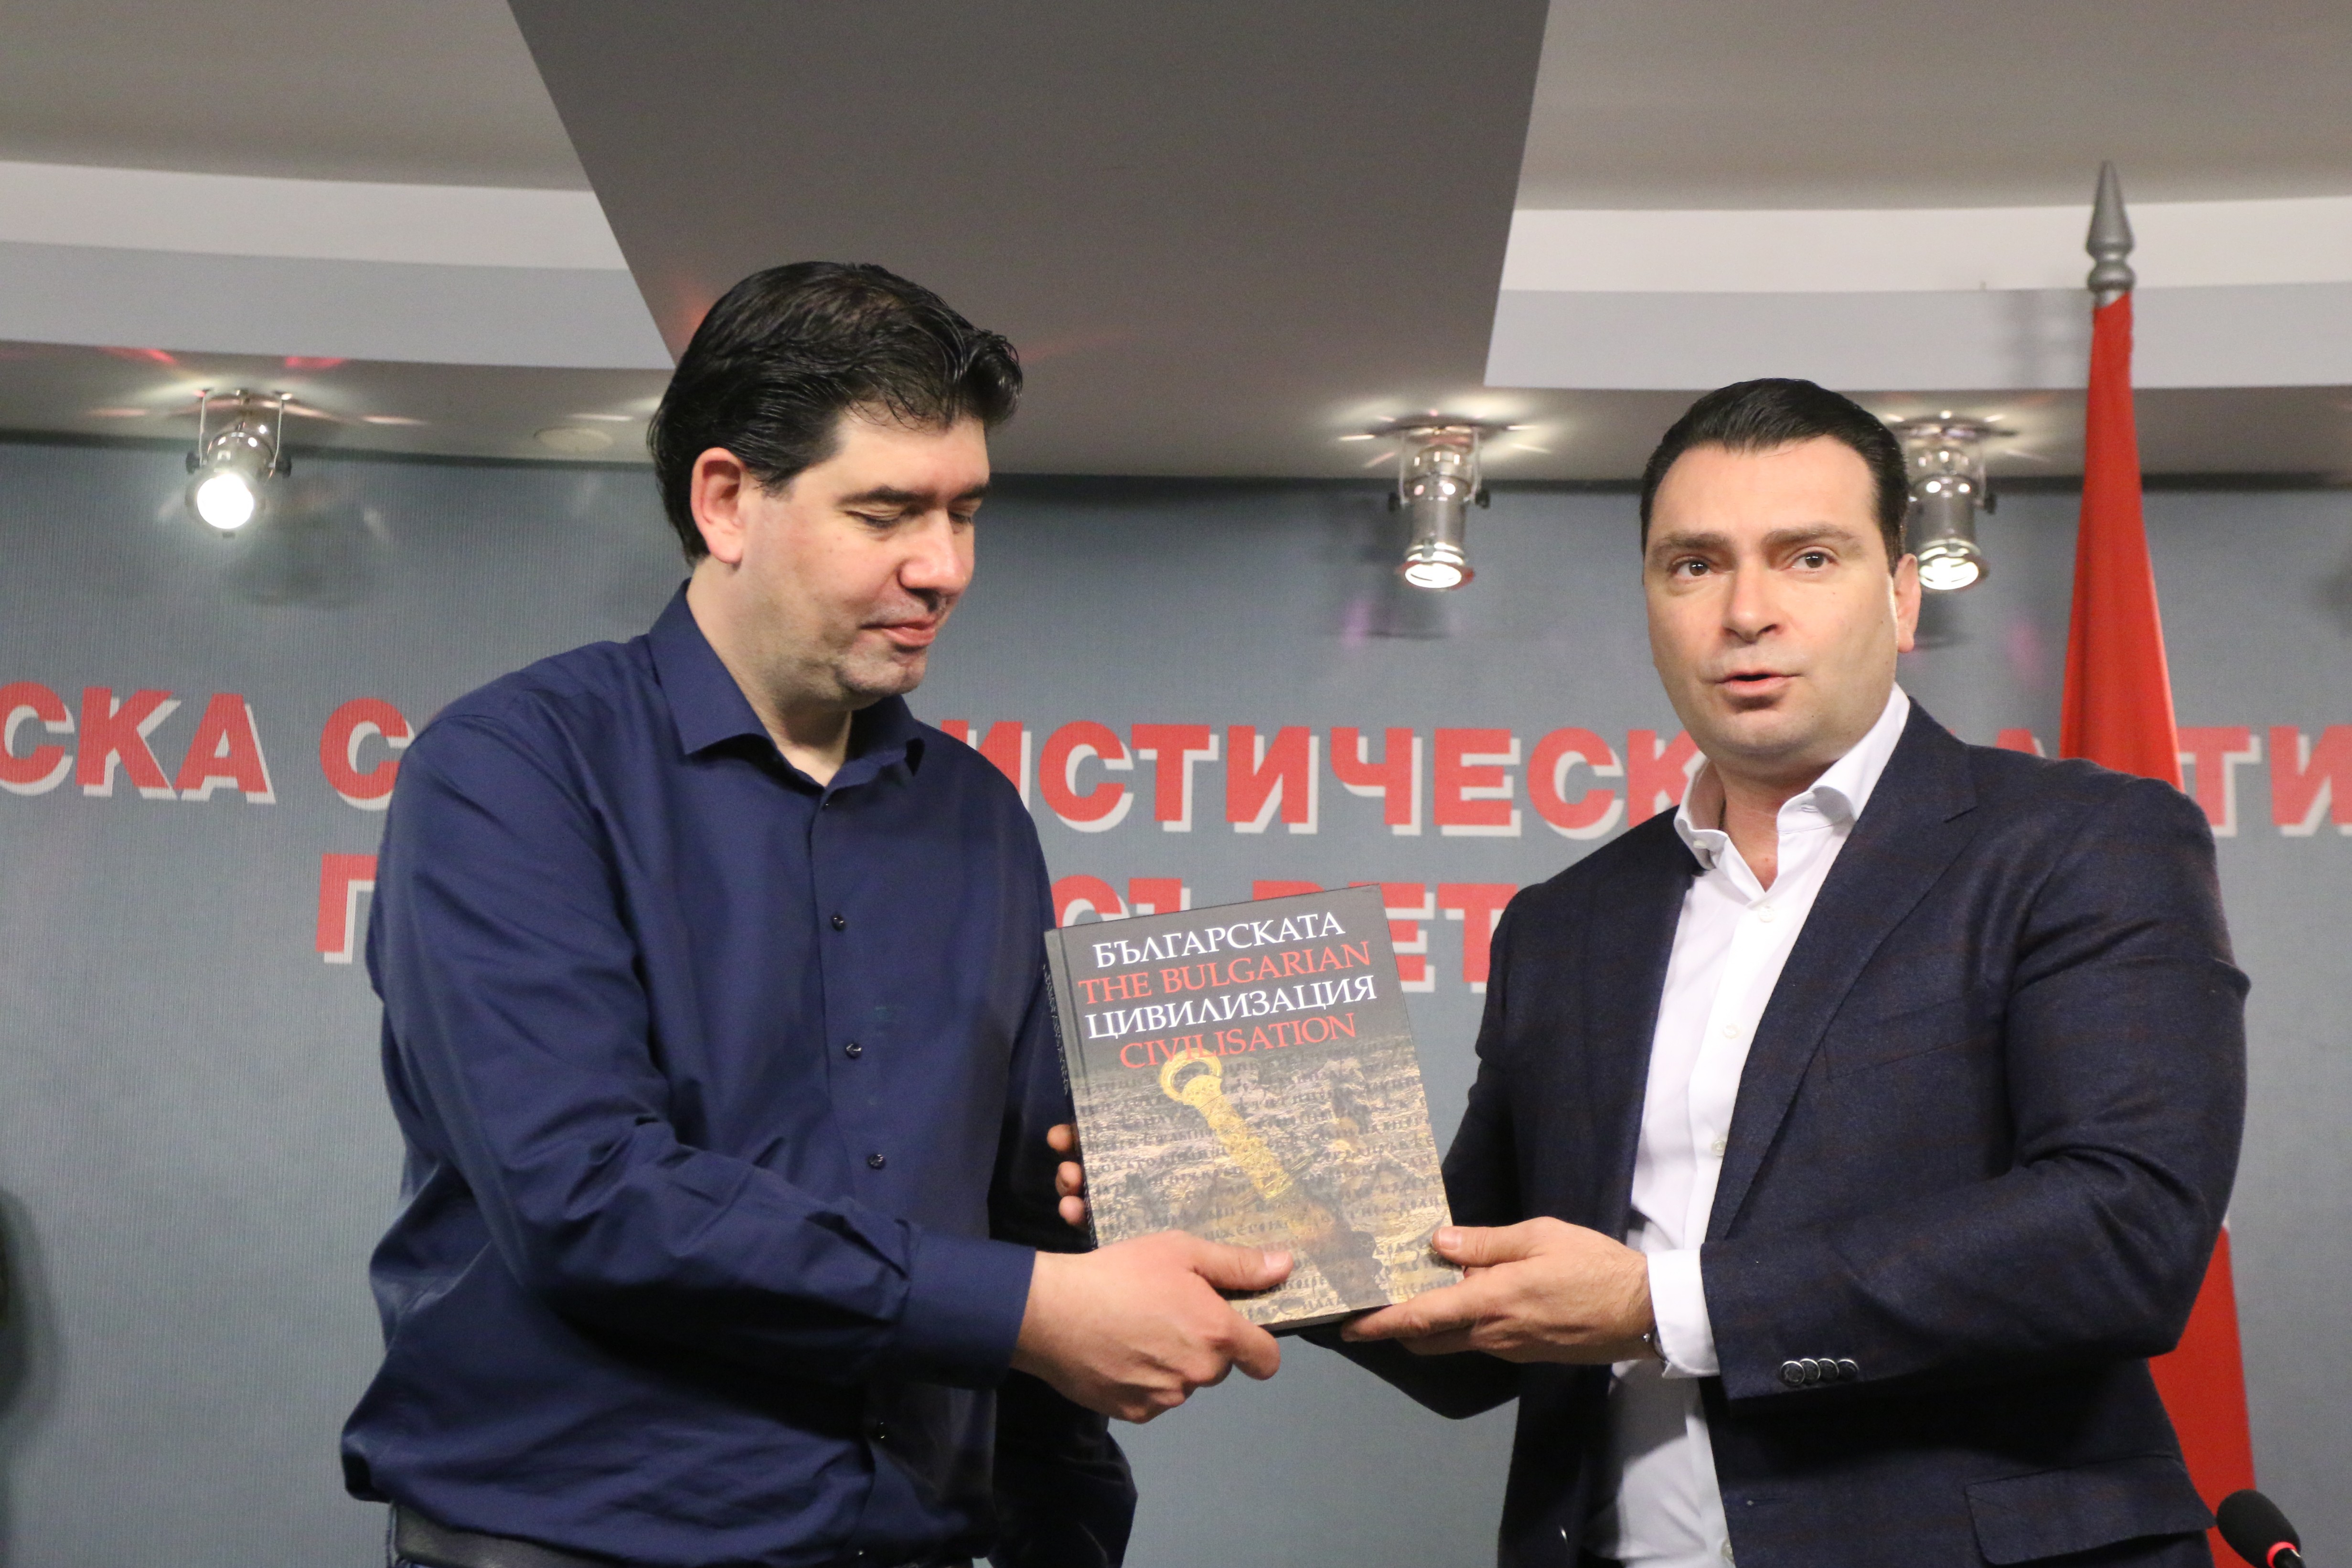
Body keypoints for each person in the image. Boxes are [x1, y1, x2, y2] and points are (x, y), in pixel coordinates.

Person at [341, 262, 1290, 1568]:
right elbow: (586, 1198)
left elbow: (1023, 1210)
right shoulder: (512, 769)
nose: (943, 566)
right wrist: (1029, 1305)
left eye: (965, 512)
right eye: (885, 511)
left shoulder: (979, 815)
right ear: (727, 500)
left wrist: (1157, 1241)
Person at [1339, 378, 2245, 1568]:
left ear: (1901, 594)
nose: (1746, 612)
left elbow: (2122, 1232)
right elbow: (1468, 1297)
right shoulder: (1563, 924)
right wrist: (1240, 1203)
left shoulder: (2082, 842)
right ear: (1651, 602)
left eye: (1807, 558)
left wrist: (1659, 1305)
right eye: (1693, 565)